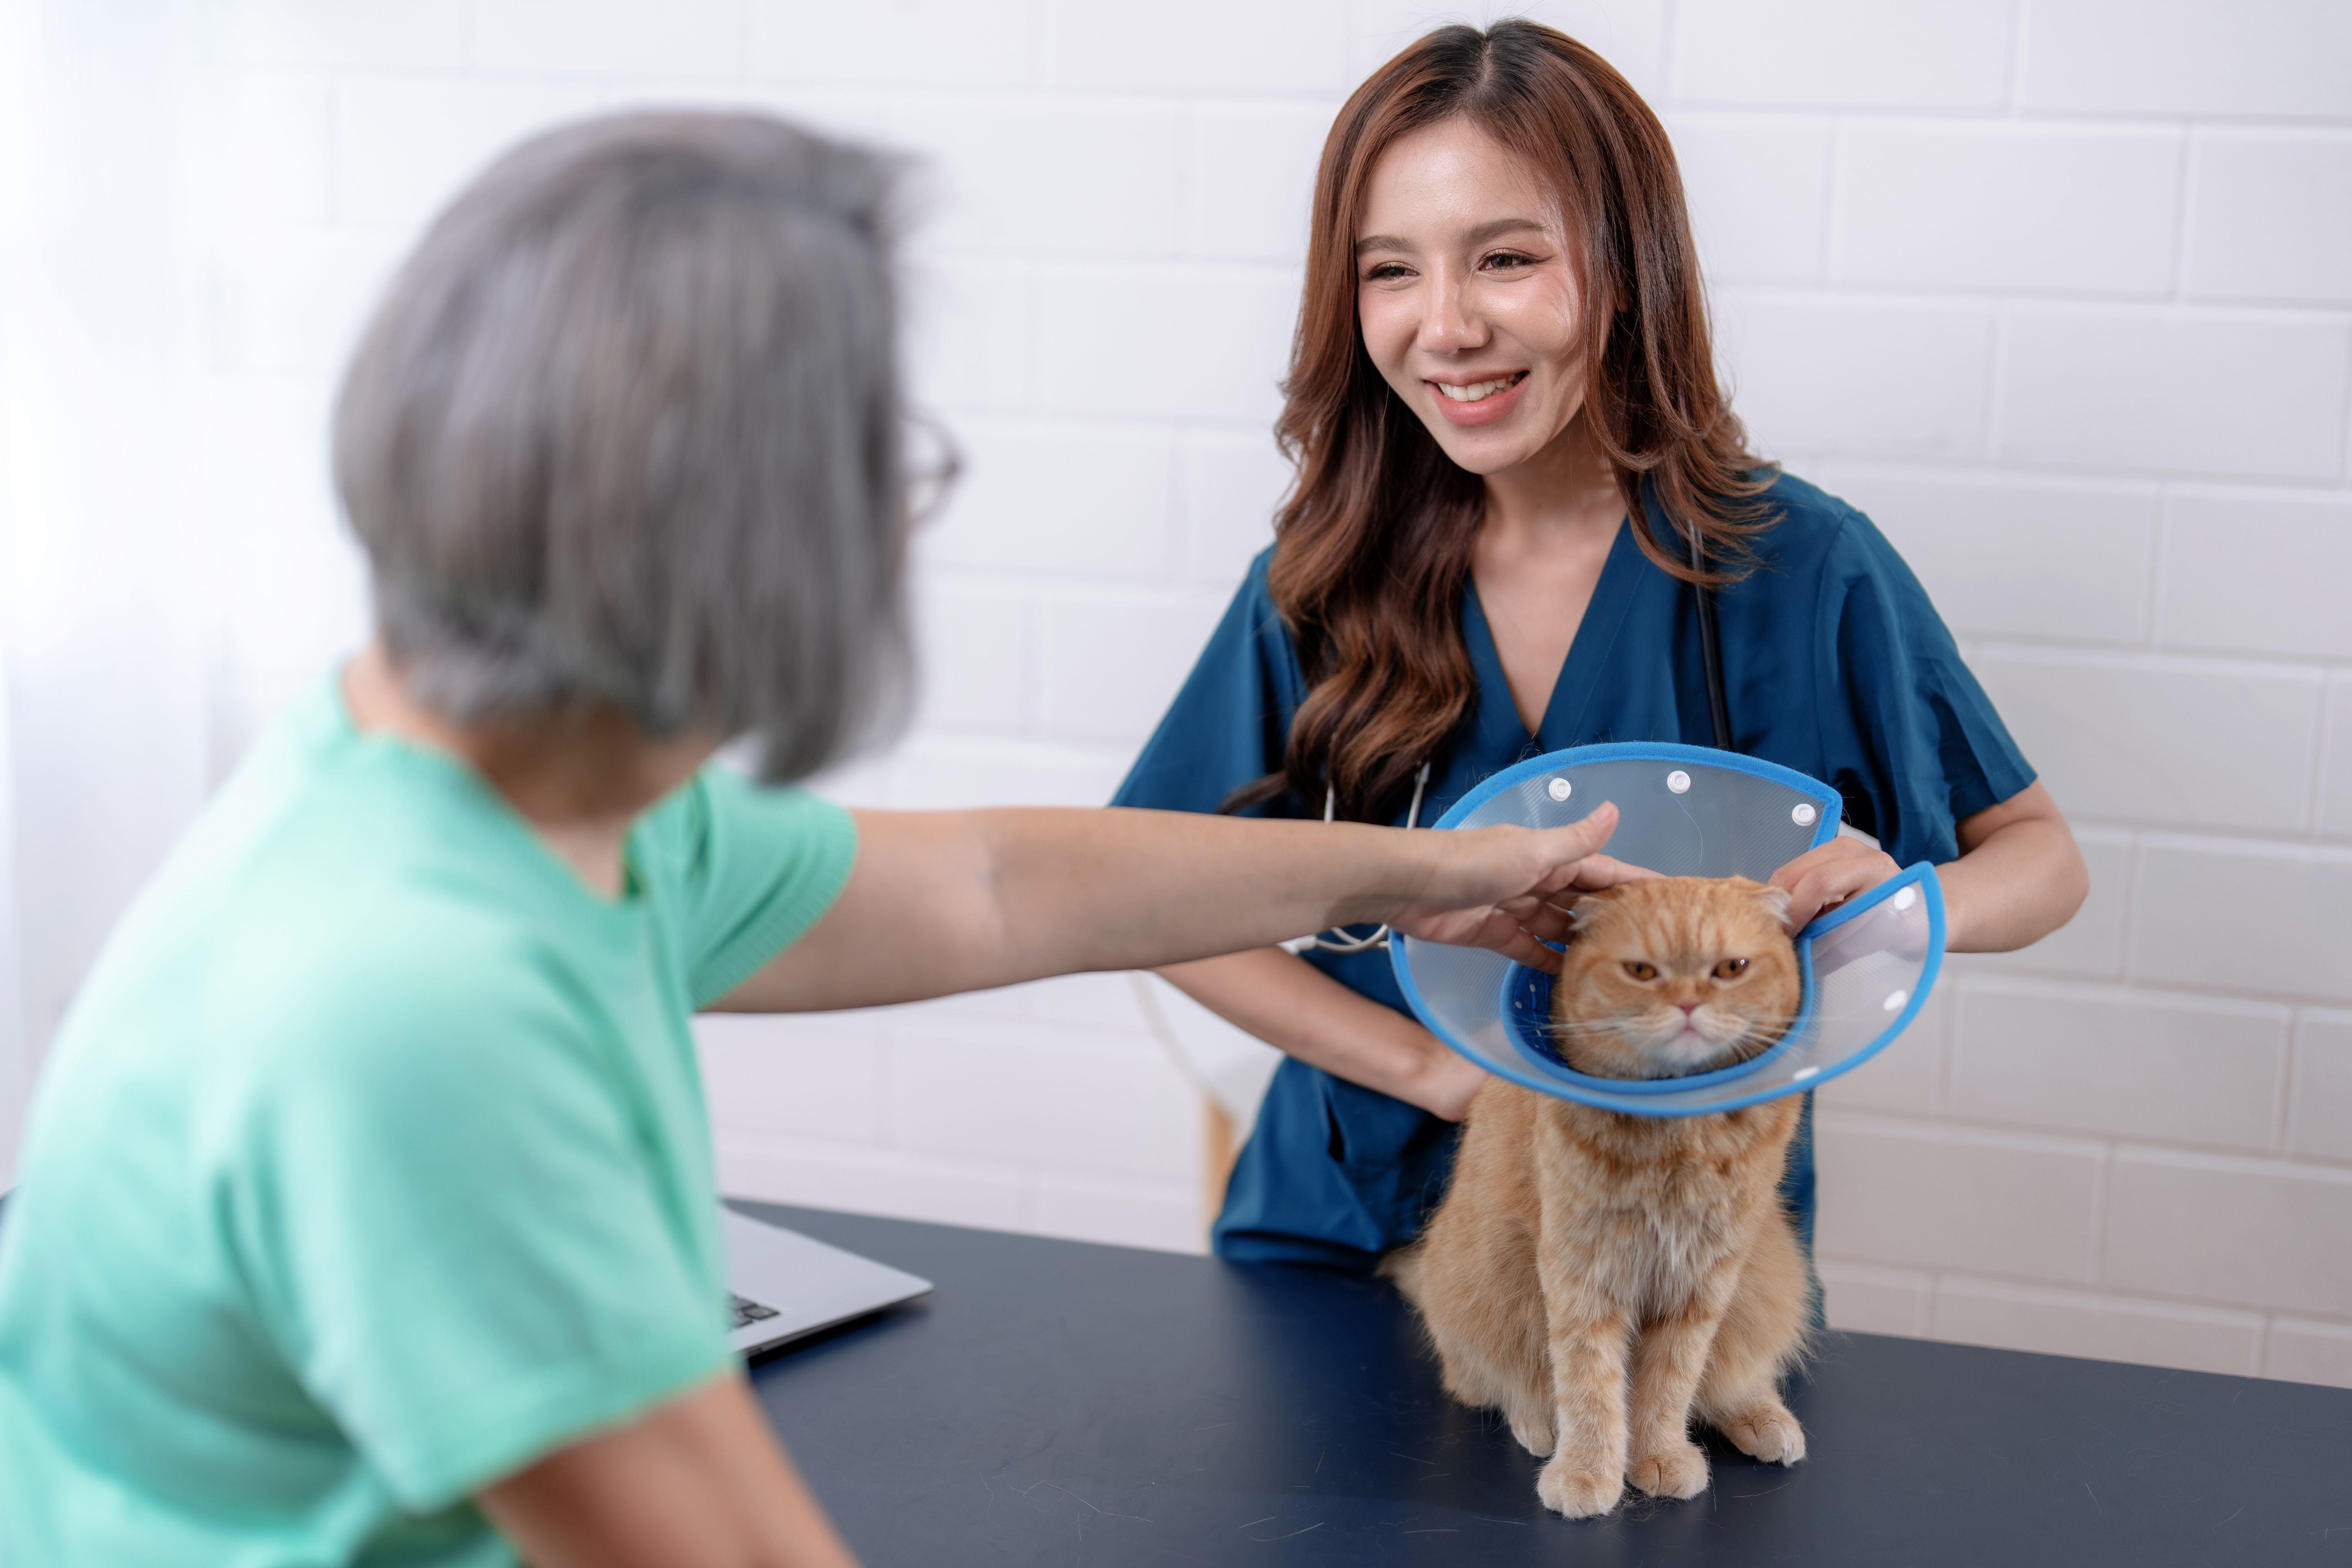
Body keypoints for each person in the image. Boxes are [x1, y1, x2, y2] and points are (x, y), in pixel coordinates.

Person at [0, 115, 1646, 1567]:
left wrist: (1451, 873)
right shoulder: (412, 1012)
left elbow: (1003, 887)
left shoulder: (527, 799)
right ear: (746, 526)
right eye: (888, 471)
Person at [1114, 21, 2089, 1274]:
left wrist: (1898, 905)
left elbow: (2040, 858)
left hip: (1674, 1255)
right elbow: (1157, 895)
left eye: (1505, 258)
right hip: (1339, 1237)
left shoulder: (1801, 569)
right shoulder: (1324, 576)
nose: (1446, 327)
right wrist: (1431, 1071)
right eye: (1389, 272)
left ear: (1628, 268)